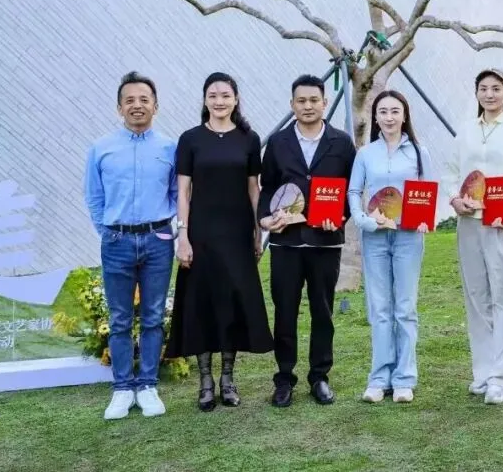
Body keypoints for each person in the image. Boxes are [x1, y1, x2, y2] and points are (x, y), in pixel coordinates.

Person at [166, 72, 274, 411]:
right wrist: (183, 236)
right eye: (213, 95)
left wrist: (258, 231)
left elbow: (253, 189)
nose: (219, 101)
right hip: (201, 235)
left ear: (236, 99)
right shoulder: (190, 139)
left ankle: (228, 380)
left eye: (225, 95)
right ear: (205, 100)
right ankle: (205, 383)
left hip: (238, 234)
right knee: (201, 304)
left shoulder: (249, 139)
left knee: (232, 303)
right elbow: (183, 192)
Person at [83, 71, 177, 420]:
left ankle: (148, 385)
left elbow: (176, 192)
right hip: (116, 240)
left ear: (155, 106)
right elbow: (94, 197)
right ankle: (122, 388)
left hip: (158, 241)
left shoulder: (169, 148)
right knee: (120, 318)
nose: (137, 106)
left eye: (144, 100)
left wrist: (166, 229)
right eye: (130, 100)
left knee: (153, 316)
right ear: (119, 107)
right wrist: (109, 231)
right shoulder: (101, 148)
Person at [259, 74, 356, 407]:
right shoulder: (278, 142)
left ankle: (319, 376)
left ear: (324, 103)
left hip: (325, 241)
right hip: (286, 242)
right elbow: (268, 188)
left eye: (314, 100)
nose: (308, 106)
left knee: (322, 311)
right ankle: (284, 378)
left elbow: (350, 189)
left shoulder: (342, 143)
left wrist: (340, 216)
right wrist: (264, 218)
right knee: (285, 311)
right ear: (292, 104)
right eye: (301, 101)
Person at [447, 69, 503, 405]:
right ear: (476, 93)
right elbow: (451, 172)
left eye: (496, 88)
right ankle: (483, 372)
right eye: (483, 88)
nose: (489, 94)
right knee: (477, 296)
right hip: (470, 223)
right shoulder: (466, 131)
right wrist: (455, 199)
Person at [348, 90, 432, 405]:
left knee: (405, 308)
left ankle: (404, 379)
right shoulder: (365, 153)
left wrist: (424, 219)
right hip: (375, 237)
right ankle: (379, 378)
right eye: (383, 111)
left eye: (395, 111)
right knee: (380, 308)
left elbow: (428, 190)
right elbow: (354, 190)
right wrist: (363, 220)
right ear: (375, 117)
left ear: (405, 115)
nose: (389, 117)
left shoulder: (419, 152)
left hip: (408, 236)